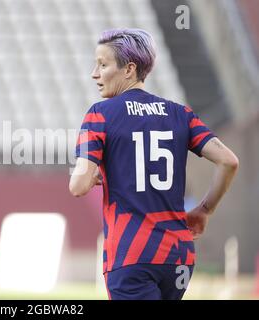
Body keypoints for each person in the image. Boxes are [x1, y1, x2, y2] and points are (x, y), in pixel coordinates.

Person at [69, 28, 239, 300]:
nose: (94, 74)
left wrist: (89, 174)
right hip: (178, 255)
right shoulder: (180, 114)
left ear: (129, 69)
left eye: (103, 65)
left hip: (131, 253)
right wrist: (205, 210)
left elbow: (77, 186)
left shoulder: (99, 115)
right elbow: (228, 161)